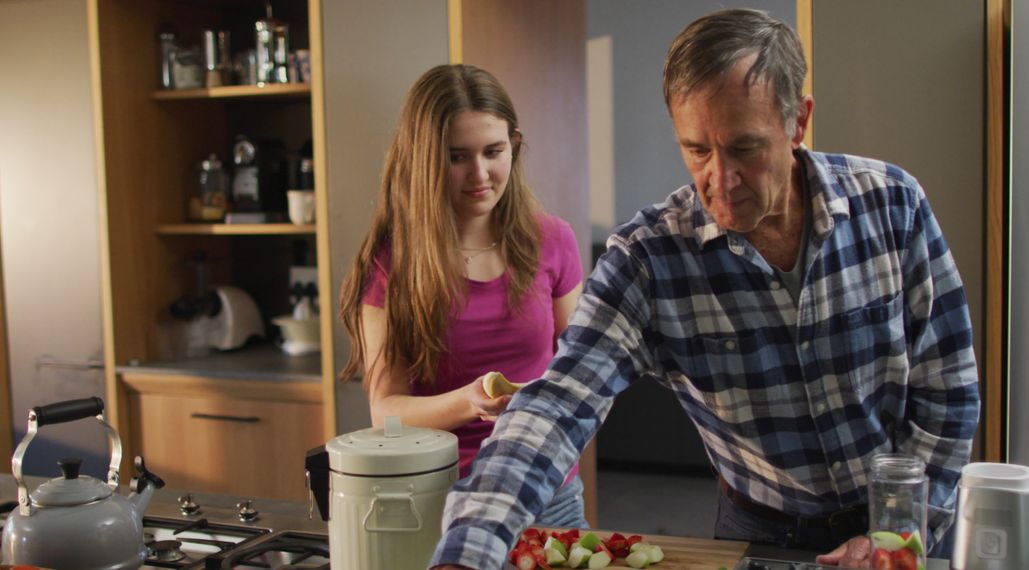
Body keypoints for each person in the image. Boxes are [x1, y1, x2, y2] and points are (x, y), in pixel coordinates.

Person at [430, 8, 980, 570]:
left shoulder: (892, 205)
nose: (721, 180)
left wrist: (895, 534)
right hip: (761, 531)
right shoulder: (647, 259)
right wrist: (466, 551)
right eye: (697, 150)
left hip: (896, 526)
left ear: (798, 121)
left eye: (745, 148)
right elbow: (555, 408)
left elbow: (949, 391)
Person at [338, 64, 587, 529]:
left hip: (547, 492)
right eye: (457, 157)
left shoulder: (554, 240)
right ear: (425, 158)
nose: (480, 174)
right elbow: (386, 411)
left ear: (514, 143)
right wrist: (471, 401)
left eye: (493, 151)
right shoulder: (391, 261)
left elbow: (576, 371)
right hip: (440, 500)